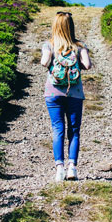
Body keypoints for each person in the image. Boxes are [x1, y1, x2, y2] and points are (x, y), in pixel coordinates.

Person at [40, 11, 93, 181]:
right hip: (75, 94)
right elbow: (87, 65)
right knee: (74, 131)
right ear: (71, 26)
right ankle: (73, 168)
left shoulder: (49, 45)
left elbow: (44, 63)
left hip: (53, 93)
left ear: (55, 26)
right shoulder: (79, 46)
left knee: (58, 129)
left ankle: (59, 169)